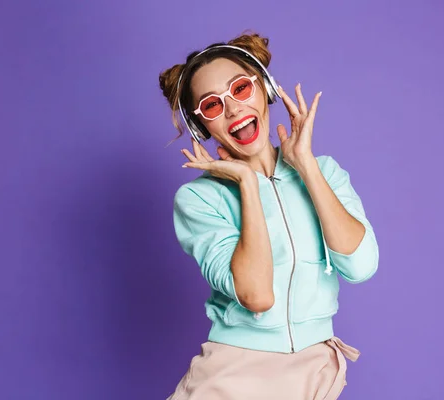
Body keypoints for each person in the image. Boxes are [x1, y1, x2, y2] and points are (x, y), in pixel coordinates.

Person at [158, 31, 379, 400]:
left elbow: (360, 266)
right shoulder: (199, 199)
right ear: (201, 127)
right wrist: (247, 183)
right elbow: (257, 296)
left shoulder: (325, 172)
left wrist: (306, 166)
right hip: (231, 375)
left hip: (314, 373)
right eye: (212, 105)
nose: (232, 109)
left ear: (265, 90)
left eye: (240, 89)